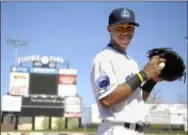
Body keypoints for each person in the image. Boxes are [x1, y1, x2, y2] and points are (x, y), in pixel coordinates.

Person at [90, 8, 166, 135]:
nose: (125, 32)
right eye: (120, 27)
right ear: (109, 29)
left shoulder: (131, 62)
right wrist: (143, 74)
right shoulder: (103, 58)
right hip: (117, 129)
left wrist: (152, 80)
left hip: (135, 130)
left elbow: (137, 99)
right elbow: (107, 100)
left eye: (130, 28)